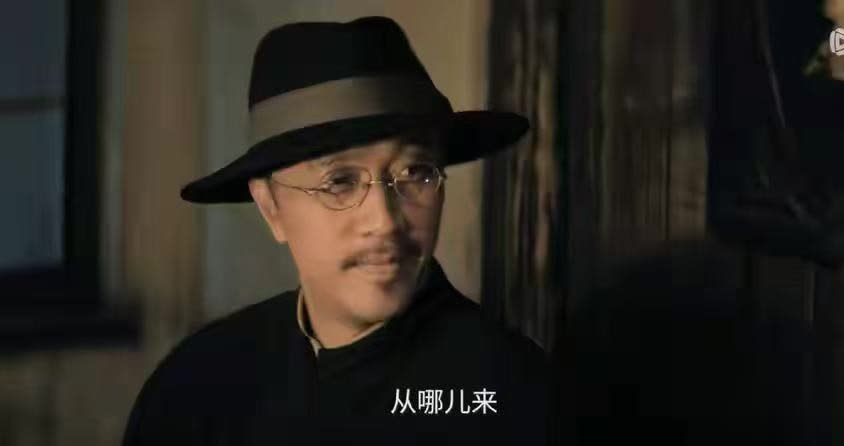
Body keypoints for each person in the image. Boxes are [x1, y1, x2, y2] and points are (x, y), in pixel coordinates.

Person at [122, 16, 549, 446]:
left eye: (416, 172)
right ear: (271, 207)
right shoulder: (197, 384)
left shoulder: (506, 393)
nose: (385, 221)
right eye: (340, 182)